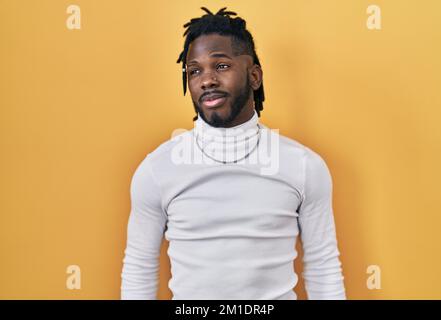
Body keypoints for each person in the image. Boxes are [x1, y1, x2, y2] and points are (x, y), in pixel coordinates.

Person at [120, 7, 346, 300]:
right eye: (194, 71)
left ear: (254, 76)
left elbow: (323, 267)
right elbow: (140, 266)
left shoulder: (304, 167)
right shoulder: (157, 170)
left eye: (222, 66)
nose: (207, 80)